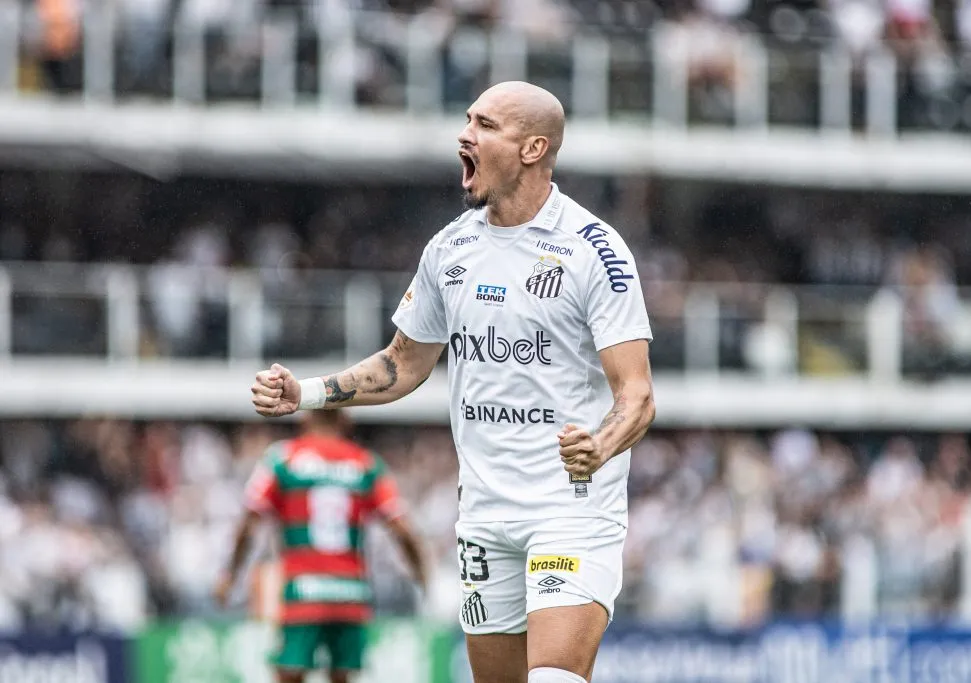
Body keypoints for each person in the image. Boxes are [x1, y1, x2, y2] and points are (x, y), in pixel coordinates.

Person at [251, 80, 655, 683]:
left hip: (570, 510)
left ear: (533, 148)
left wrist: (600, 445)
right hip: (485, 514)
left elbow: (638, 396)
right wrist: (306, 393)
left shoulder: (594, 250)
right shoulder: (450, 249)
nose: (465, 135)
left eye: (486, 125)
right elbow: (402, 364)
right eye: (467, 120)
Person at [215, 409, 428, 683]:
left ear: (304, 419)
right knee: (342, 677)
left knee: (289, 674)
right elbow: (402, 529)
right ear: (345, 421)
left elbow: (248, 522)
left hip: (303, 591)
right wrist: (420, 570)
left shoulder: (283, 459)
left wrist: (230, 574)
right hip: (350, 592)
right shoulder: (365, 464)